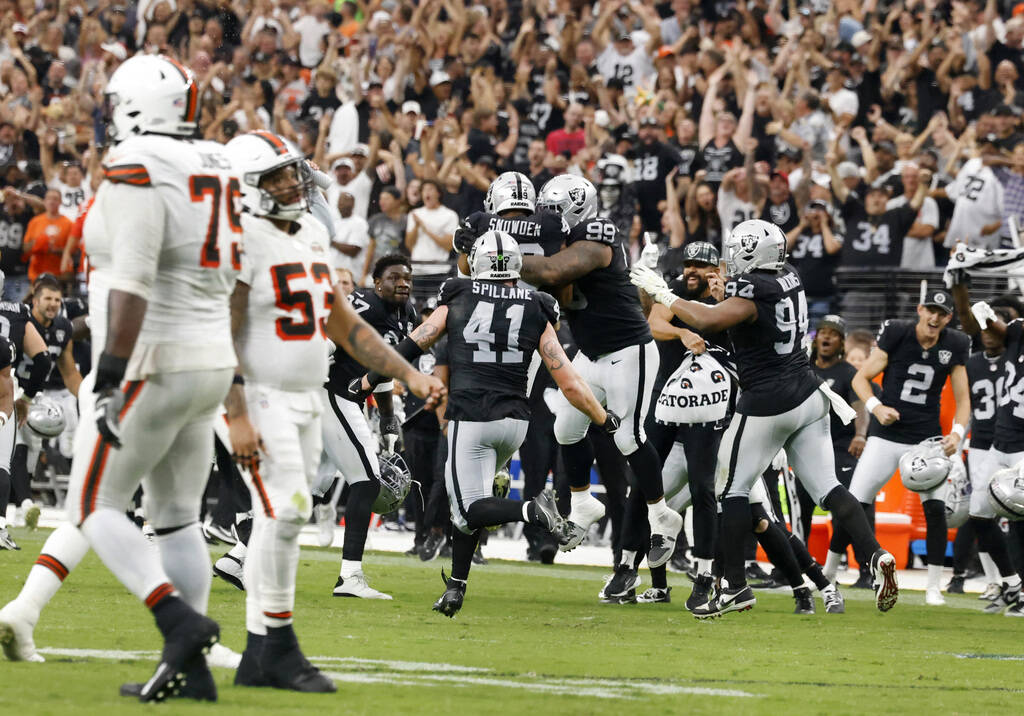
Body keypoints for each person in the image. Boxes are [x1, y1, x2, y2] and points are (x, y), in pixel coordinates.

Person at [629, 218, 898, 618]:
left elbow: (709, 321)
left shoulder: (752, 287)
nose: (733, 257)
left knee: (732, 490)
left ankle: (735, 586)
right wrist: (720, 295)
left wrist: (662, 293)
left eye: (739, 250)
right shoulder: (790, 275)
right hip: (808, 392)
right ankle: (875, 555)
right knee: (829, 488)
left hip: (770, 401)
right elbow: (740, 310)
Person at [357, 231, 610, 617]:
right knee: (471, 502)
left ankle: (531, 512)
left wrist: (370, 379)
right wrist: (604, 419)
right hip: (515, 423)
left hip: (472, 417)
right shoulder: (536, 304)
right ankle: (456, 586)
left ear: (476, 262)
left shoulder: (458, 294)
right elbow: (570, 381)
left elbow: (413, 344)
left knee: (469, 509)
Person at [519, 175, 684, 569]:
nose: (546, 219)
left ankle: (663, 517)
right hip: (591, 354)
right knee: (565, 428)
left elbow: (555, 273)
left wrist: (501, 253)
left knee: (629, 436)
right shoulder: (560, 241)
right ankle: (582, 504)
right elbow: (558, 289)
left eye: (553, 211)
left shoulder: (597, 232)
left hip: (630, 350)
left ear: (575, 209)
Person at [221, 130, 335, 693]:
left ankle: (255, 656)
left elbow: (338, 317)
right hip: (258, 393)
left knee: (279, 516)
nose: (293, 182)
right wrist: (236, 410)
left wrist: (405, 368)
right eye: (276, 176)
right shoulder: (240, 236)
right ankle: (279, 645)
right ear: (248, 189)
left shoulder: (311, 230)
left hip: (306, 395)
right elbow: (224, 330)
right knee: (288, 510)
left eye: (293, 171)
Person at [825, 290, 970, 607]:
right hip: (887, 435)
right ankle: (829, 573)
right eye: (930, 310)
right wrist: (876, 408)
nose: (934, 318)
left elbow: (963, 400)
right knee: (854, 502)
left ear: (948, 318)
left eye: (942, 313)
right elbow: (860, 379)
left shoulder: (955, 344)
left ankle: (933, 587)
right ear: (919, 309)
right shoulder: (897, 333)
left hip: (925, 439)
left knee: (934, 510)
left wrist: (957, 434)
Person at [606, 241, 728, 608]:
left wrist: (722, 303)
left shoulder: (731, 298)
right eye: (688, 264)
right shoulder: (671, 291)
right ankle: (626, 567)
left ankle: (707, 575)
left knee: (706, 490)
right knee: (643, 486)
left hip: (710, 409)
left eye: (701, 266)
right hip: (666, 403)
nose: (692, 270)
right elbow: (655, 323)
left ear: (717, 270)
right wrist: (682, 333)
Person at [315, 254, 418, 599]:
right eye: (394, 278)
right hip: (333, 395)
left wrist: (388, 415)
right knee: (366, 482)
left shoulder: (408, 315)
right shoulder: (365, 305)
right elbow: (323, 344)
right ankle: (350, 576)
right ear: (376, 283)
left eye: (407, 278)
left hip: (347, 399)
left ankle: (239, 555)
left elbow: (384, 365)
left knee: (309, 489)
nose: (402, 283)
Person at [961, 300, 1024, 615]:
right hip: (999, 442)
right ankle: (1012, 584)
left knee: (1020, 520)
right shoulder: (1017, 333)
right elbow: (991, 329)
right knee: (979, 514)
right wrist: (965, 292)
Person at [8, 275, 83, 527]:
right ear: (35, 300)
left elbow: (69, 371)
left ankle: (22, 505)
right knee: (18, 441)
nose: (53, 304)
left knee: (34, 447)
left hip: (36, 393)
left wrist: (87, 398)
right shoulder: (22, 320)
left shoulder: (63, 328)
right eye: (48, 299)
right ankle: (25, 503)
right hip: (13, 387)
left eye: (57, 299)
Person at [22, 189, 73, 283]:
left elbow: (73, 252)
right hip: (36, 275)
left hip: (59, 276)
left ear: (61, 202)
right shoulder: (35, 222)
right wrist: (37, 243)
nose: (51, 201)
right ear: (44, 201)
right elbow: (25, 249)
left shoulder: (68, 224)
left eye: (55, 199)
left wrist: (55, 250)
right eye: (49, 198)